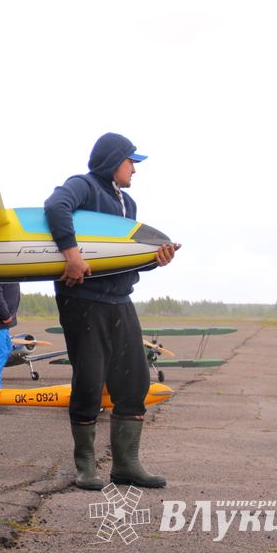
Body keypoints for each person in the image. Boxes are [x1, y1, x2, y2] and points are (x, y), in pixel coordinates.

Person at [44, 132, 176, 491]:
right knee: (89, 381)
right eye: (131, 161)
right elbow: (55, 207)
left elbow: (118, 259)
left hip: (120, 299)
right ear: (112, 160)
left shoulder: (127, 204)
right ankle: (85, 465)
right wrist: (72, 257)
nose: (135, 169)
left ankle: (126, 465)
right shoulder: (83, 186)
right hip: (83, 300)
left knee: (134, 381)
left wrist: (154, 260)